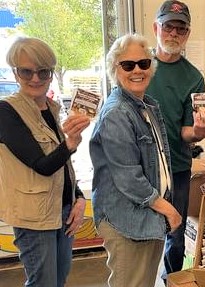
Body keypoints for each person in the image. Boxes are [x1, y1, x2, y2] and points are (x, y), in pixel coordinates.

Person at [89, 33, 182, 287]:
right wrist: (168, 209)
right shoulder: (117, 113)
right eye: (128, 65)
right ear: (114, 70)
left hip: (147, 218)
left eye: (143, 63)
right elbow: (129, 177)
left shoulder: (145, 105)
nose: (137, 70)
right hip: (127, 221)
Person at [0, 37, 90, 287]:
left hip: (63, 211)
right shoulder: (6, 111)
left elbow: (64, 166)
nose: (35, 78)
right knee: (43, 282)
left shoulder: (51, 109)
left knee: (59, 279)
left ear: (51, 74)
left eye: (43, 71)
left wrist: (79, 197)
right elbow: (42, 165)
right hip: (34, 218)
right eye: (26, 71)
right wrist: (71, 142)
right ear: (15, 73)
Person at [146, 0, 205, 280]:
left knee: (176, 231)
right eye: (167, 27)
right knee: (143, 230)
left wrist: (199, 130)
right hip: (141, 167)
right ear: (156, 28)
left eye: (180, 29)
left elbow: (188, 130)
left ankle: (171, 280)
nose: (173, 34)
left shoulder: (194, 78)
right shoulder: (138, 66)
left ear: (187, 34)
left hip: (177, 167)